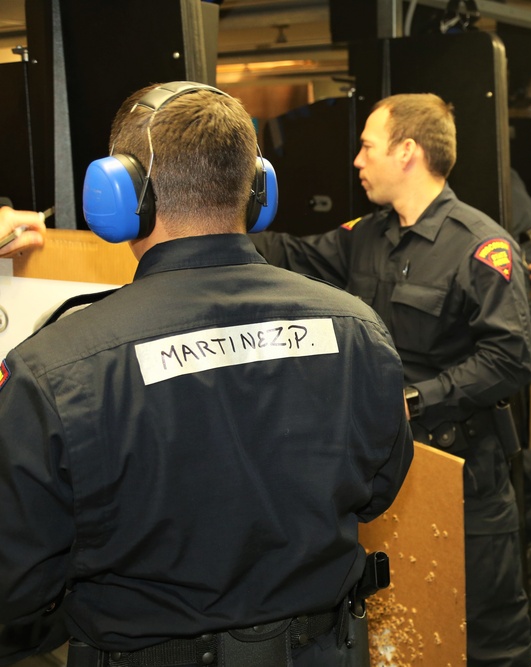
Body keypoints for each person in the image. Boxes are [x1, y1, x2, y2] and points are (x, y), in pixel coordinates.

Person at [0, 82, 413, 667]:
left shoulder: (56, 369)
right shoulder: (357, 330)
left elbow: (15, 583)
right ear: (259, 189)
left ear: (118, 196)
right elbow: (377, 492)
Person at [252, 93, 531, 667]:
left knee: (485, 633)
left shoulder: (480, 246)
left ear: (407, 151)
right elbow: (292, 254)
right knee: (403, 624)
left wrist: (417, 399)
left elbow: (513, 356)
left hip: (463, 475)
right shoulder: (369, 235)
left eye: (366, 146)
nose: (357, 161)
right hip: (383, 475)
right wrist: (210, 228)